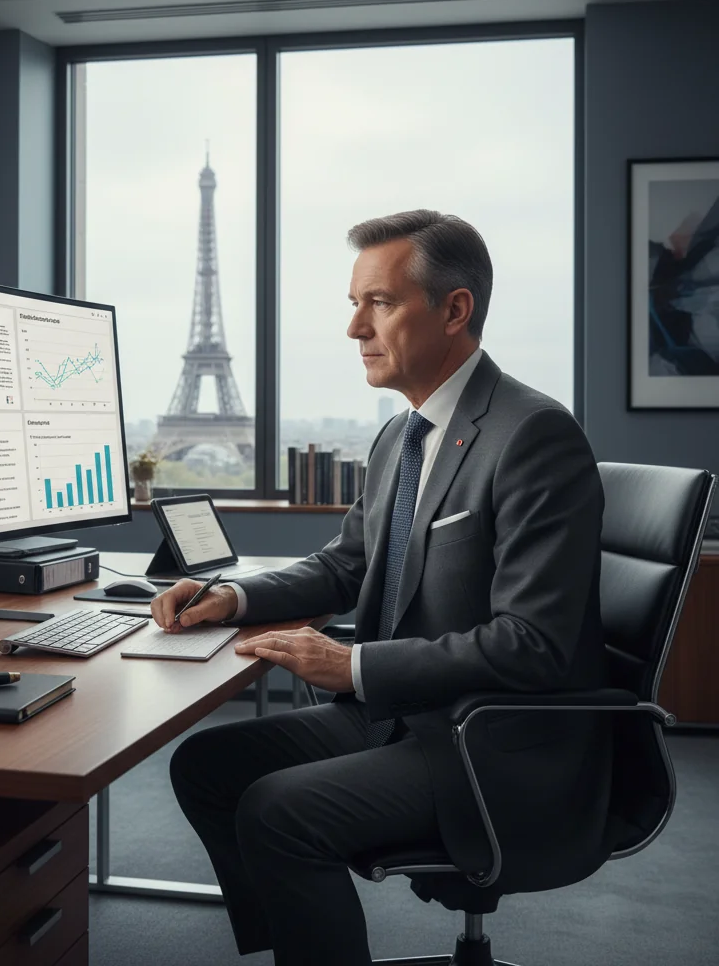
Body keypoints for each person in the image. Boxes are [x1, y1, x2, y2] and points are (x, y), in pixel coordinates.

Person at [151, 210, 612, 966]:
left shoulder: (533, 435)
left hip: (487, 741)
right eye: (353, 304)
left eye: (381, 303)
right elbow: (344, 566)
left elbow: (533, 645)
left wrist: (354, 667)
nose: (354, 329)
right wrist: (232, 599)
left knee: (277, 811)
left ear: (455, 310)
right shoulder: (399, 434)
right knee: (207, 767)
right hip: (400, 717)